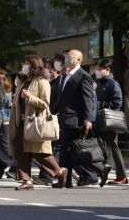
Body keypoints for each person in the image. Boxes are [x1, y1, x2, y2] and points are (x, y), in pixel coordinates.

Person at [9, 55, 67, 190]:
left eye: (27, 63)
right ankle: (27, 180)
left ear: (34, 65)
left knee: (41, 153)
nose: (24, 65)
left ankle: (59, 172)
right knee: (22, 152)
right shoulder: (24, 81)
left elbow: (45, 104)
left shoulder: (42, 82)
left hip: (35, 123)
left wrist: (30, 98)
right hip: (21, 122)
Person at [51, 49, 100, 188]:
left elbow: (87, 99)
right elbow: (62, 98)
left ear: (78, 60)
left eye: (70, 56)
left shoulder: (83, 76)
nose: (66, 58)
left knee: (73, 149)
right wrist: (53, 111)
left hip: (75, 119)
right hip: (64, 117)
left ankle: (90, 174)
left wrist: (88, 119)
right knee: (67, 150)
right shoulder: (65, 75)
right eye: (66, 56)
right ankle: (67, 179)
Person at [94, 58, 128, 185]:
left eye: (99, 68)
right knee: (102, 147)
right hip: (99, 120)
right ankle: (103, 170)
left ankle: (122, 176)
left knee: (113, 146)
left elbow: (117, 102)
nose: (97, 71)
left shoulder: (112, 83)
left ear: (107, 70)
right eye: (97, 68)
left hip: (109, 120)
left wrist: (100, 104)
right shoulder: (99, 83)